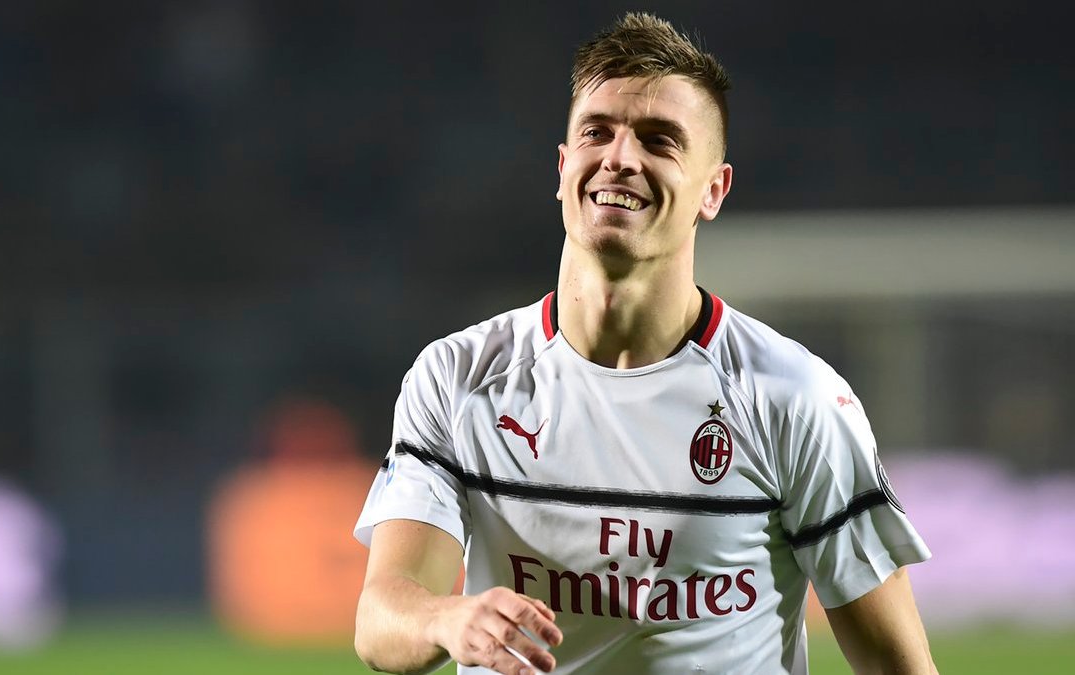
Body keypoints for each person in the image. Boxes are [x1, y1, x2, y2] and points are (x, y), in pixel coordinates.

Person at [353, 12, 935, 675]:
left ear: (712, 190)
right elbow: (380, 620)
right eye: (596, 132)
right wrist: (446, 617)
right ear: (564, 167)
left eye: (660, 141)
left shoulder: (795, 399)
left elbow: (898, 663)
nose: (620, 158)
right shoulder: (458, 378)